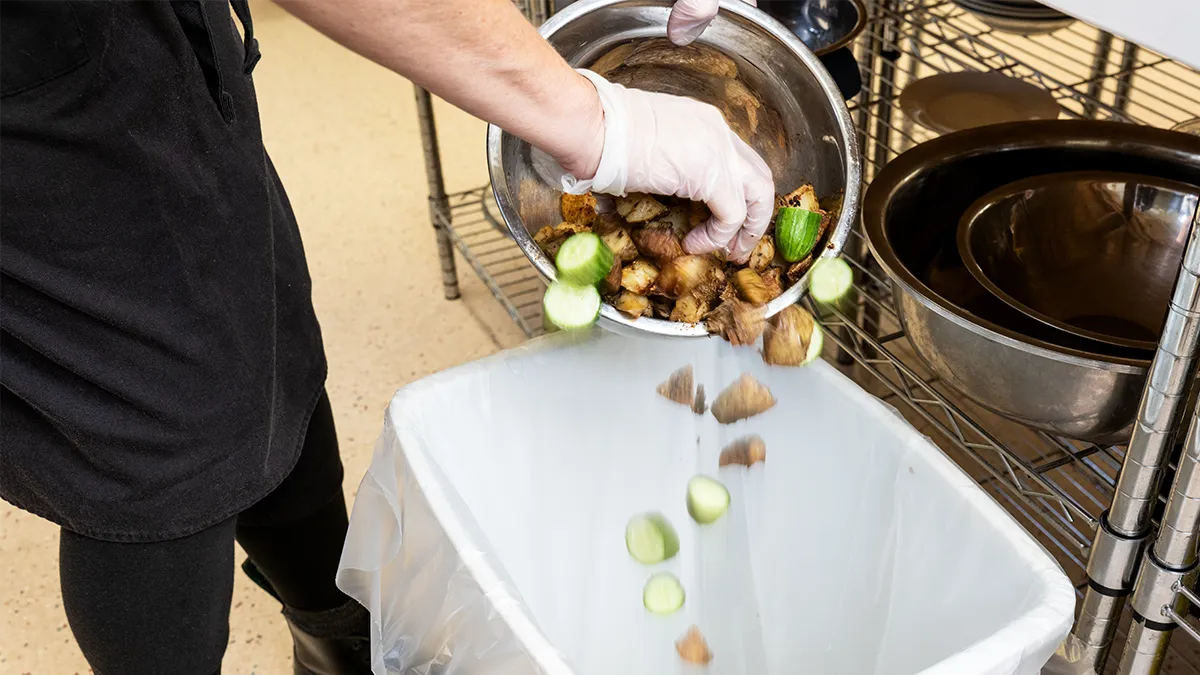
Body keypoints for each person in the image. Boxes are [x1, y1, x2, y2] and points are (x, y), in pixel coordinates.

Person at [0, 0, 773, 673]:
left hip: (146, 47)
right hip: (35, 99)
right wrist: (600, 122)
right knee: (144, 439)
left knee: (268, 329)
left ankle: (335, 635)